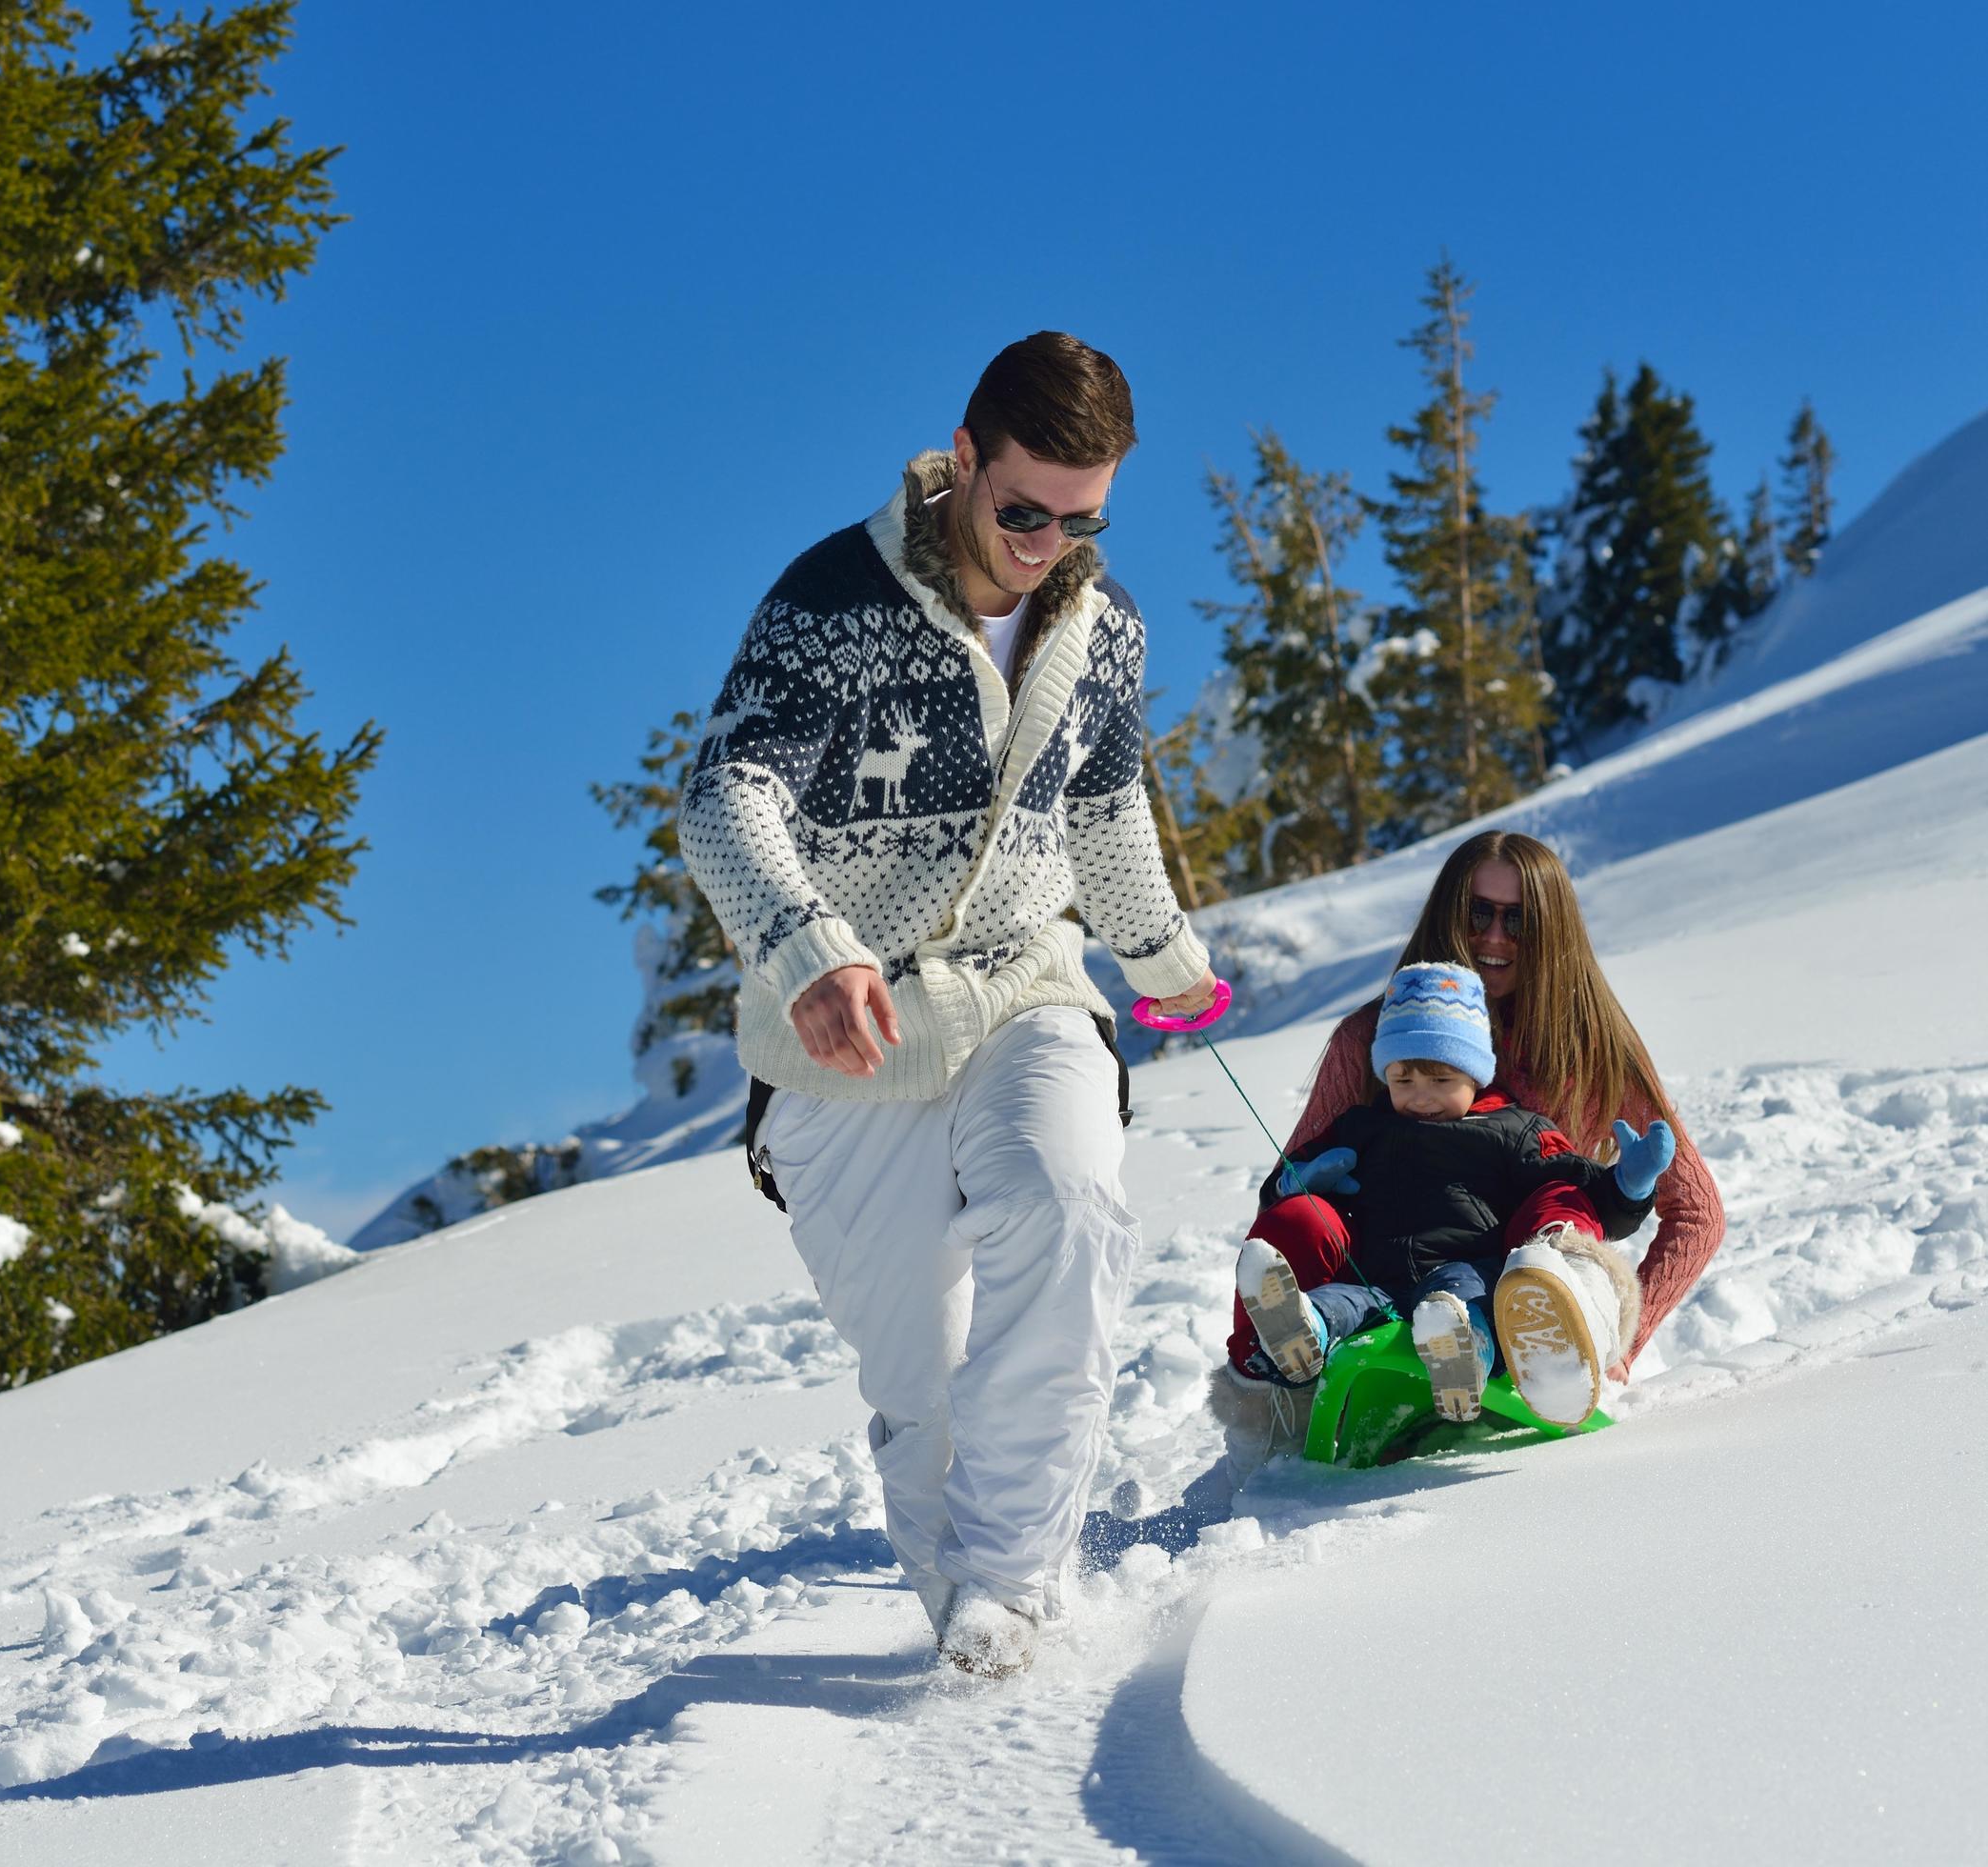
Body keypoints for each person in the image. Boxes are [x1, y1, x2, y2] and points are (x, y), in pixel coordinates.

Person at [677, 332, 1216, 1679]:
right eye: (1021, 510)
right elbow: (723, 795)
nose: (1045, 545)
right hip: (847, 1034)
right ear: (961, 461)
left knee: (1070, 1203)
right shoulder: (830, 600)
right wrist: (809, 952)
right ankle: (959, 1608)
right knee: (920, 1376)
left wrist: (1162, 963)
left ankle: (1014, 1587)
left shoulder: (1101, 628)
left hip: (1025, 983)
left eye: (1081, 520)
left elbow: (1097, 811)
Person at [1218, 832, 1724, 1447]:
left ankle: (1557, 1335)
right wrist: (1305, 1190)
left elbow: (1696, 1213)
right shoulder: (1376, 1036)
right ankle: (1285, 1389)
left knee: (1558, 1206)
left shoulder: (1591, 1045)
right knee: (1303, 1214)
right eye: (1477, 911)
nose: (1493, 935)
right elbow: (1290, 1187)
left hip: (1511, 1289)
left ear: (1553, 930)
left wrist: (1623, 1341)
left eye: (1520, 919)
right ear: (1447, 915)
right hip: (1387, 1271)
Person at [1234, 962, 1676, 1425]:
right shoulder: (1365, 1126)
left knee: (1459, 1302)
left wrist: (1629, 1184)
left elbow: (1574, 1193)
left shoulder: (1512, 1129)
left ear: (1474, 1074)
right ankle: (1300, 1330)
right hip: (1378, 1279)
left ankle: (1466, 1355)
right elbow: (1282, 1184)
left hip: (1469, 1268)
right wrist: (1300, 1177)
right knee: (1344, 1304)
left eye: (1440, 1080)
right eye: (1404, 1081)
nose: (1421, 1096)